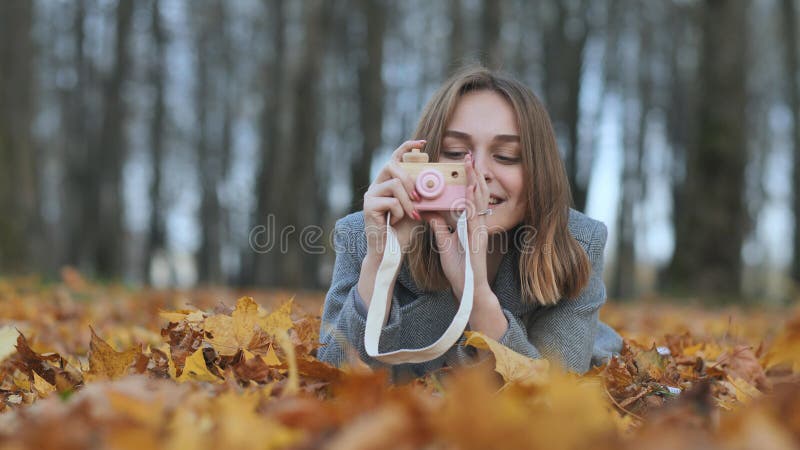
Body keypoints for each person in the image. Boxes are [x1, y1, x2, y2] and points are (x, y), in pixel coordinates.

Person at [318, 65, 623, 382]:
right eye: (455, 152)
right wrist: (381, 264)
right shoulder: (364, 233)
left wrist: (476, 294)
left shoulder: (580, 241)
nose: (478, 172)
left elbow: (552, 395)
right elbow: (330, 383)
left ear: (538, 173)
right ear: (424, 163)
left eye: (506, 155)